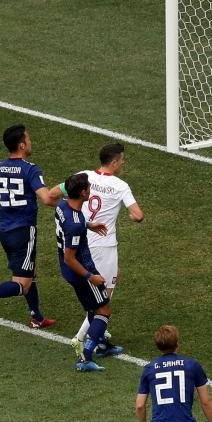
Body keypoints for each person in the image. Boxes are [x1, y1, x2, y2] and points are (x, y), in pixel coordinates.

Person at [0, 124, 61, 328]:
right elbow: (46, 199)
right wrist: (67, 198)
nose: (30, 141)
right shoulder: (30, 169)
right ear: (21, 145)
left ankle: (37, 317)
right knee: (23, 284)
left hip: (5, 231)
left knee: (29, 271)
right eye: (28, 138)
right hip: (24, 232)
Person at [70, 142, 144, 352]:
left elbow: (57, 194)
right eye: (122, 159)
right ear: (113, 162)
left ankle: (100, 336)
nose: (124, 162)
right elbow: (138, 215)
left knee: (109, 281)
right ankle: (82, 337)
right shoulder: (120, 186)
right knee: (104, 297)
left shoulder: (84, 175)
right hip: (104, 245)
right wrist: (131, 216)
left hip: (83, 240)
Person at [54, 173, 122, 371]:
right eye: (88, 187)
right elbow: (70, 257)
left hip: (69, 269)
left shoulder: (62, 206)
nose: (91, 189)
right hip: (80, 271)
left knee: (94, 308)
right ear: (83, 192)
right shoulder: (74, 225)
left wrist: (89, 225)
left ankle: (103, 344)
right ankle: (85, 357)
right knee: (103, 310)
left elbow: (70, 225)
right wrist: (90, 277)